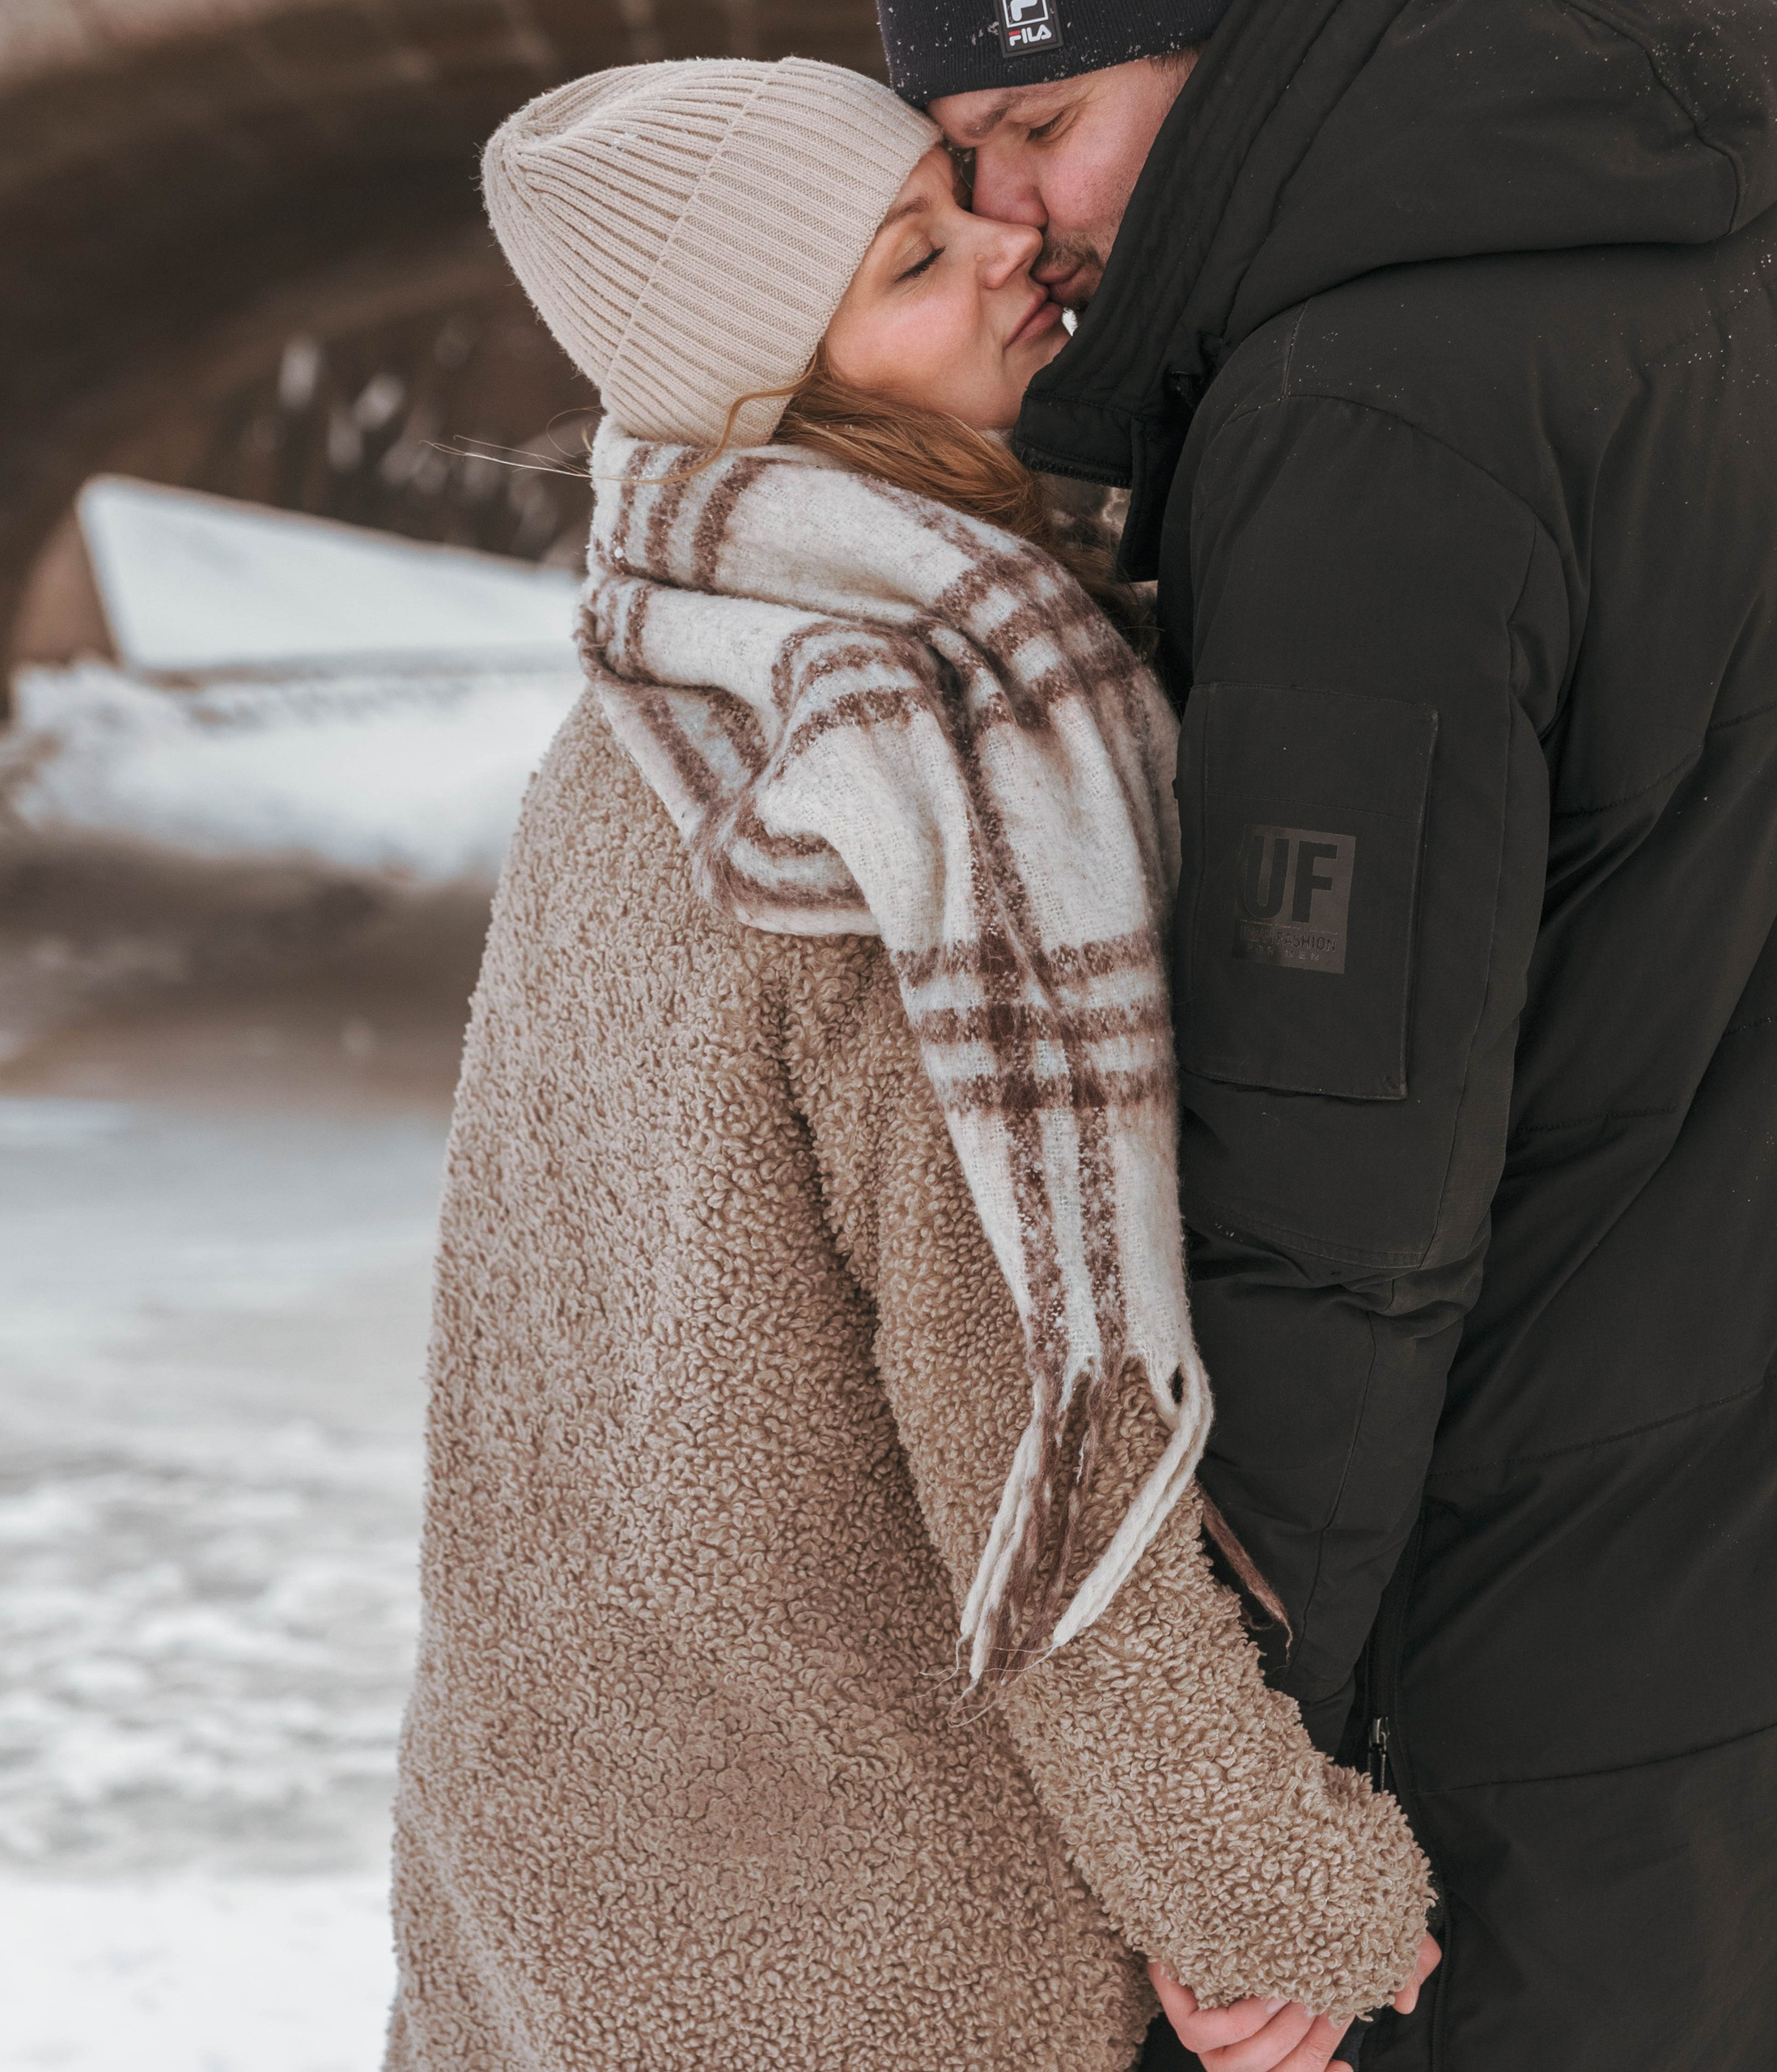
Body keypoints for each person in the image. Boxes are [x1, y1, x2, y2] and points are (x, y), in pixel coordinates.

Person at [871, 0, 1777, 2066]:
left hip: (1521, 1721)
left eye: (1042, 120)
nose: (1008, 212)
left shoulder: (1372, 423)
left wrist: (1243, 1814)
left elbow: (1332, 1179)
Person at [383, 56, 1440, 2072]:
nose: (1011, 243)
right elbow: (1025, 1426)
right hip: (849, 1933)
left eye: (964, 195)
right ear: (781, 379)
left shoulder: (650, 704)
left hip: (565, 1873)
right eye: (913, 255)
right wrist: (1260, 1891)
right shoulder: (899, 778)